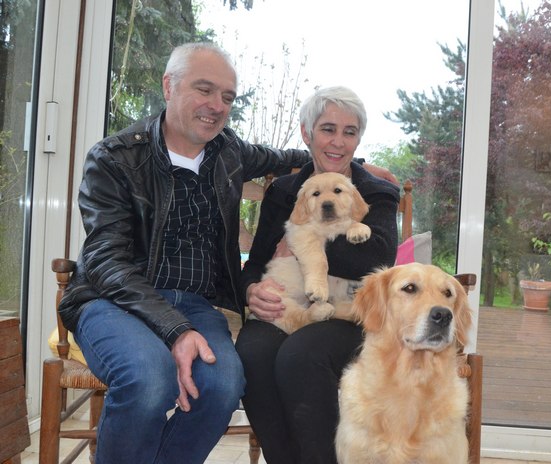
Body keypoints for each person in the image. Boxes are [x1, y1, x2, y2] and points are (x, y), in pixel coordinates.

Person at [58, 42, 324, 464]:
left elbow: (287, 158)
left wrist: (353, 167)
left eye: (227, 97)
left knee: (223, 385)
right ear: (169, 86)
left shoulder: (228, 151)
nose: (217, 106)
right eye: (204, 89)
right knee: (149, 378)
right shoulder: (115, 158)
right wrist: (176, 331)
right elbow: (108, 263)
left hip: (197, 304)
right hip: (115, 300)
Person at [236, 86, 400, 464]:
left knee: (300, 355)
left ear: (358, 139)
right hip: (288, 303)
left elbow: (376, 258)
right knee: (253, 354)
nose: (338, 142)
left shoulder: (376, 191)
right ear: (307, 133)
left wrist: (301, 244)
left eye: (349, 132)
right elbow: (256, 262)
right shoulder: (284, 192)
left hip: (349, 311)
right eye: (328, 129)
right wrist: (251, 290)